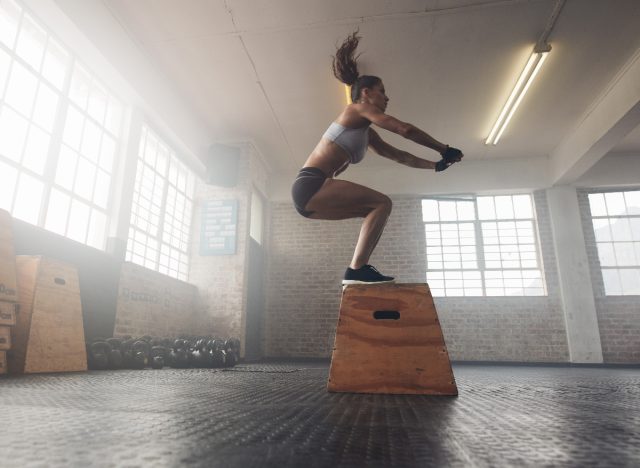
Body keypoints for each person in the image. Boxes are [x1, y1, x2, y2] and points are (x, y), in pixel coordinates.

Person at [291, 31, 463, 285]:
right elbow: (404, 129)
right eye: (382, 92)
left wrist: (436, 166)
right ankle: (356, 269)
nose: (387, 97)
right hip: (312, 184)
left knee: (376, 208)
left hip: (308, 201)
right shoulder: (356, 110)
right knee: (382, 203)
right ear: (366, 93)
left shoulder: (366, 134)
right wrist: (443, 148)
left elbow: (398, 155)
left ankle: (357, 269)